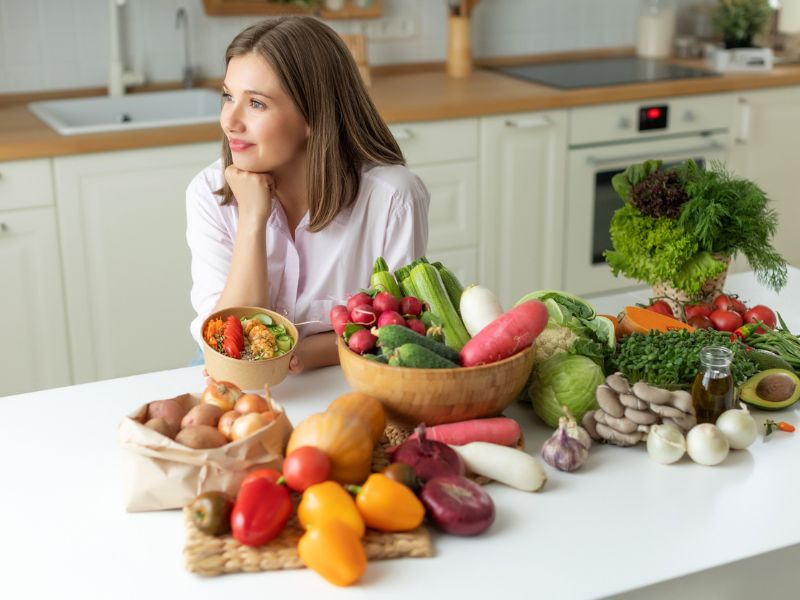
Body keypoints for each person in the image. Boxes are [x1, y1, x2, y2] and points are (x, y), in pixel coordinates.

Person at [186, 16, 430, 374]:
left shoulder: (392, 198)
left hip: (346, 372)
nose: (230, 121)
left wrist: (303, 356)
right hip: (229, 377)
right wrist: (253, 219)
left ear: (313, 114)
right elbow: (230, 349)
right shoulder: (209, 193)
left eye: (256, 104)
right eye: (228, 96)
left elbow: (398, 327)